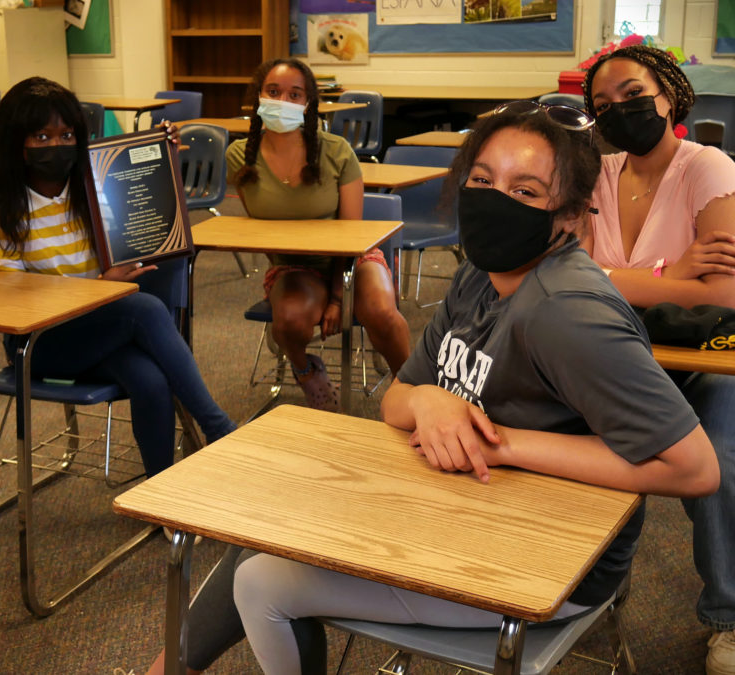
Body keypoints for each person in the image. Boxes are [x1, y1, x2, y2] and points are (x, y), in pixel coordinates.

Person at [229, 103, 720, 674]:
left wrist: (500, 443)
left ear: (570, 216)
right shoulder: (477, 277)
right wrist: (430, 400)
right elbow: (396, 397)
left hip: (551, 562)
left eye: (526, 190)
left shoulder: (566, 313)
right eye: (482, 179)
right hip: (468, 509)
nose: (493, 198)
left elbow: (695, 468)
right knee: (271, 524)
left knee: (262, 581)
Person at [0, 77, 235, 479]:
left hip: (100, 327)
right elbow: (8, 298)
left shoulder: (95, 184)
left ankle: (161, 494)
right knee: (143, 310)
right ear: (15, 141)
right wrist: (96, 287)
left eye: (66, 134)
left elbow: (145, 223)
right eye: (40, 136)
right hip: (40, 342)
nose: (55, 145)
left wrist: (160, 157)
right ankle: (220, 429)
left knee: (148, 379)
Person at [581, 44, 735, 675]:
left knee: (723, 463)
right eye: (602, 105)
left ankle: (728, 617)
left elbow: (724, 292)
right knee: (571, 447)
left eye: (633, 94)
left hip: (705, 354)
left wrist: (618, 276)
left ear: (667, 95)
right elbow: (572, 277)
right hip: (617, 353)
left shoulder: (708, 167)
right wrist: (672, 272)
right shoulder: (595, 174)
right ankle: (587, 589)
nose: (620, 109)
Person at [225, 58, 411, 412]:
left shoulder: (336, 150)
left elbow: (351, 234)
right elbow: (258, 230)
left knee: (381, 312)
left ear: (308, 104)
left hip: (352, 258)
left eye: (295, 95)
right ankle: (306, 370)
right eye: (274, 92)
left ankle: (413, 387)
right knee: (291, 321)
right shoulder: (240, 157)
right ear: (259, 97)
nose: (283, 101)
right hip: (295, 266)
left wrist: (338, 298)